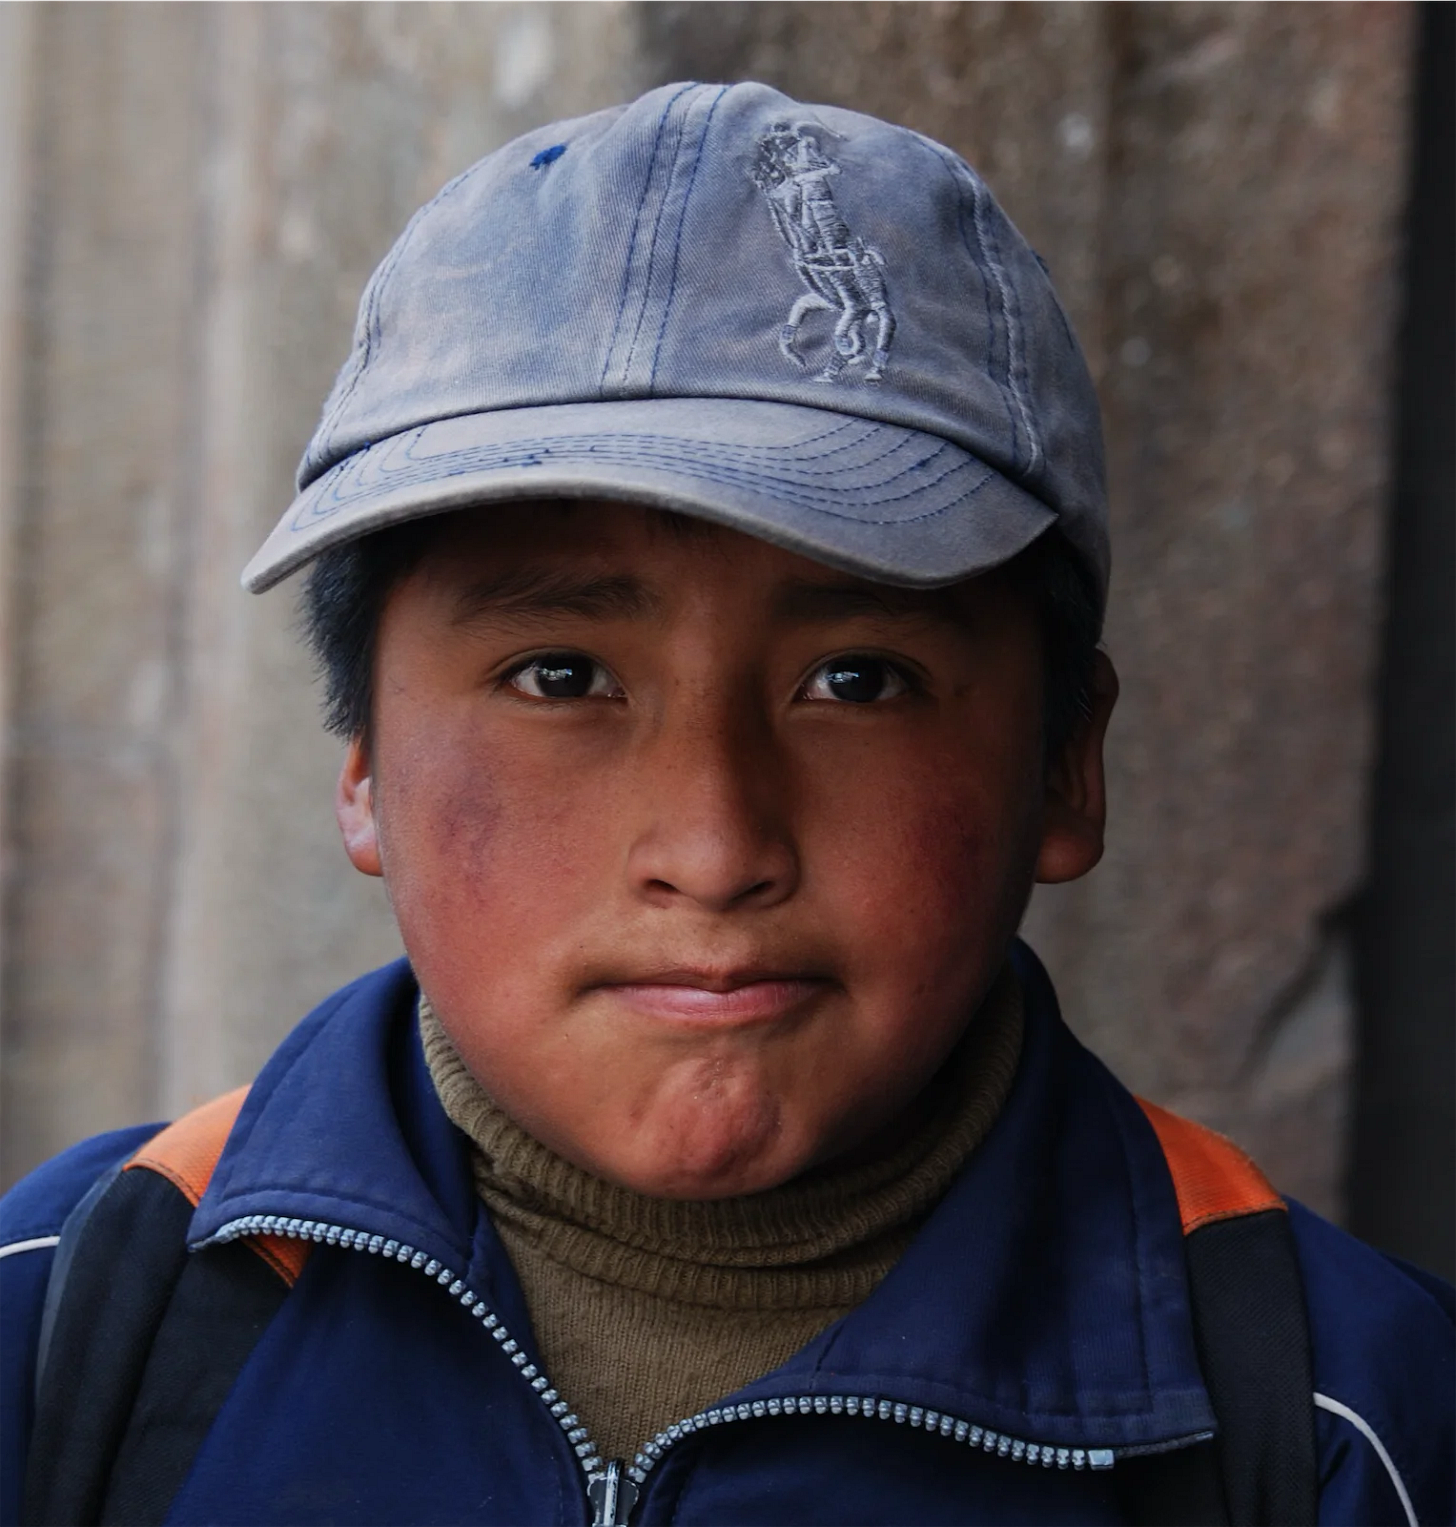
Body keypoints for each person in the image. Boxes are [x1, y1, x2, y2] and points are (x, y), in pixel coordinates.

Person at [2, 81, 1452, 1527]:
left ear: (1069, 757)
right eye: (562, 674)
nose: (712, 848)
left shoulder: (1340, 1429)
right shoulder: (67, 1319)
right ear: (362, 760)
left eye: (859, 681)